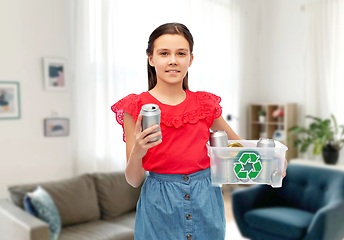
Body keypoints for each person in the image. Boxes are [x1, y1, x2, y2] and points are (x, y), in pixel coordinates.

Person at [111, 22, 286, 240]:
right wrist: (137, 152)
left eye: (181, 53)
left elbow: (238, 144)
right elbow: (134, 180)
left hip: (207, 200)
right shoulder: (136, 107)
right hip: (159, 206)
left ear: (190, 59)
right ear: (151, 58)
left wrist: (273, 160)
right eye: (164, 53)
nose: (173, 60)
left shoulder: (204, 103)